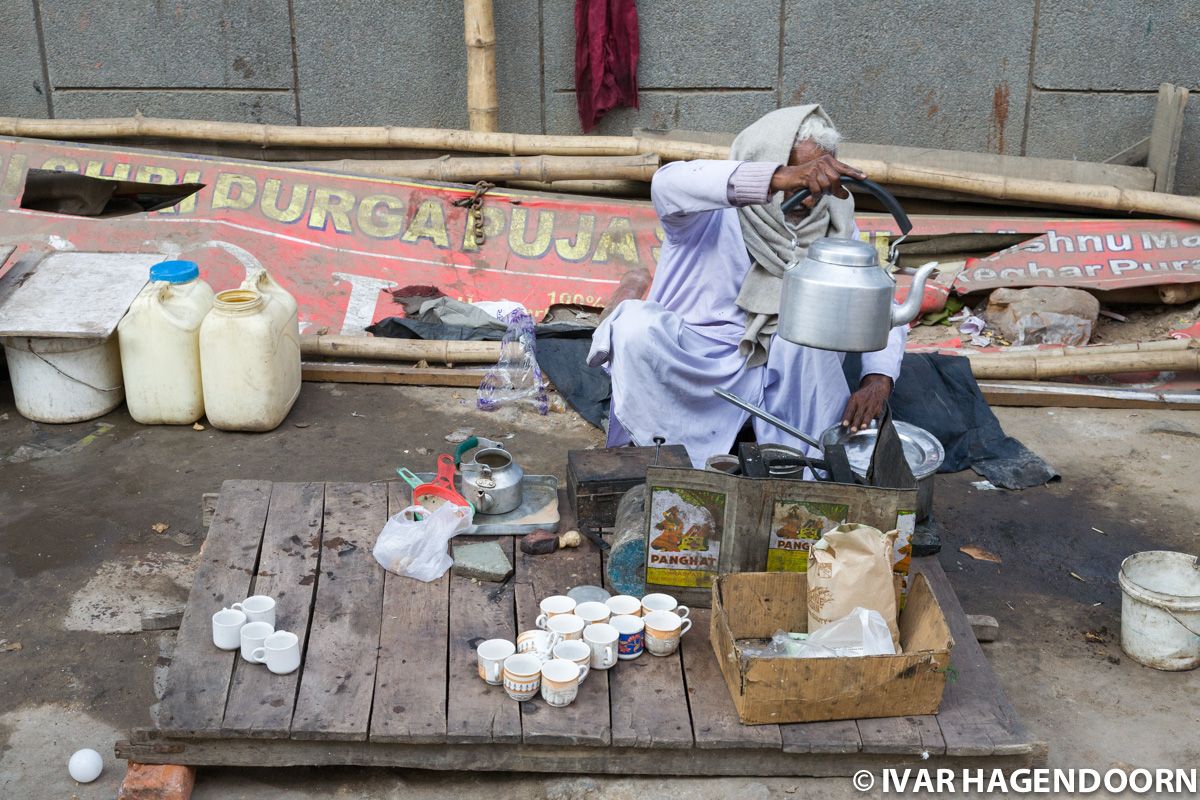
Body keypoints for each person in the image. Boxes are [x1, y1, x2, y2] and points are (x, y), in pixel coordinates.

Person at [588, 105, 907, 468]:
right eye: (801, 178)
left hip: (782, 367)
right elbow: (666, 181)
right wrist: (777, 178)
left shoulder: (833, 223)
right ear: (766, 162)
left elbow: (879, 303)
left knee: (806, 335)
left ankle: (802, 473)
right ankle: (655, 454)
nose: (808, 196)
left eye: (816, 182)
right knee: (634, 326)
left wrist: (878, 379)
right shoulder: (709, 207)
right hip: (698, 356)